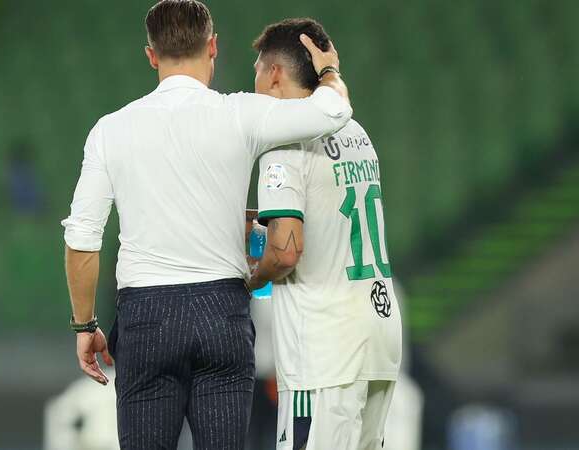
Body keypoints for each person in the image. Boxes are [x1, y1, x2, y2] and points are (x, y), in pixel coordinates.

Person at [61, 1, 353, 448]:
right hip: (222, 312)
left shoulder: (110, 130)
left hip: (146, 317)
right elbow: (333, 112)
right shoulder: (240, 113)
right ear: (213, 47)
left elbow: (83, 239)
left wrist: (86, 327)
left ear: (152, 56)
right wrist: (329, 70)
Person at [247, 18, 402, 450]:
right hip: (380, 334)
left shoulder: (284, 143)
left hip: (324, 350)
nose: (255, 80)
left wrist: (248, 278)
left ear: (274, 73)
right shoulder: (356, 133)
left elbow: (286, 251)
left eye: (258, 69)